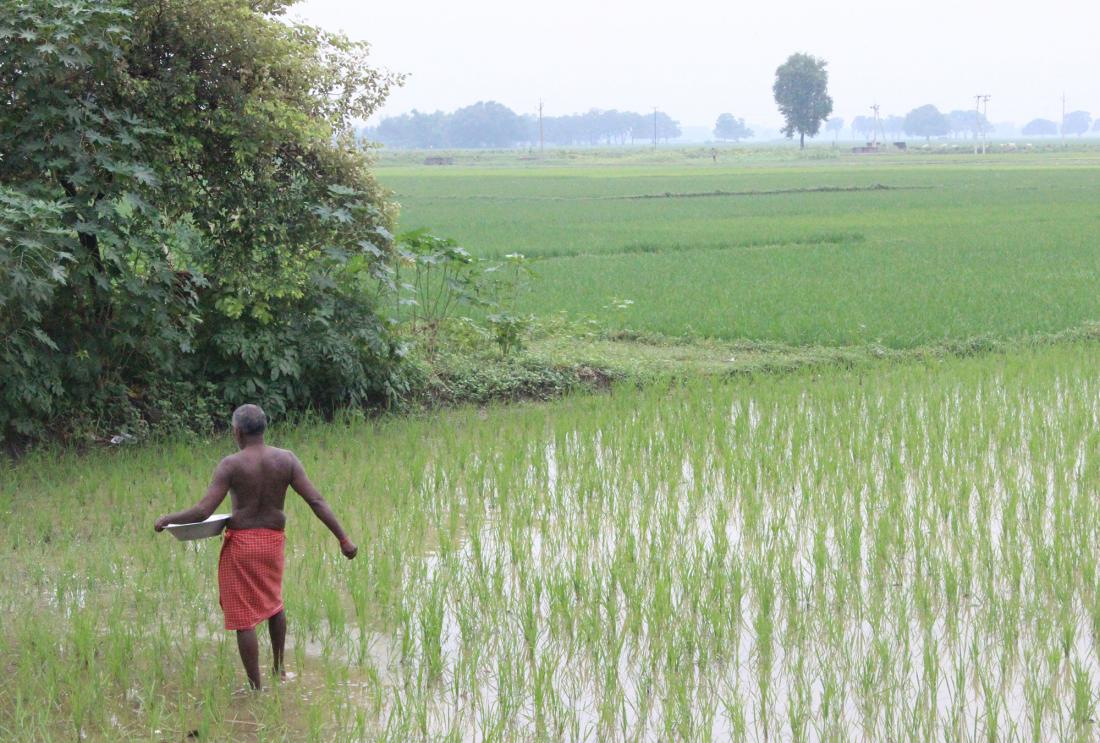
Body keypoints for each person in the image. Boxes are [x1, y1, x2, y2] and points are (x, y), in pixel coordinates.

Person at [154, 404, 357, 690]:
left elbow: (203, 511)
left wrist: (167, 519)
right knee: (274, 603)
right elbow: (316, 501)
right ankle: (279, 669)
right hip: (273, 541)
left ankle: (256, 688)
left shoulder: (231, 464)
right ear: (263, 429)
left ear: (237, 432)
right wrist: (343, 538)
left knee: (243, 617)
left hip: (243, 544)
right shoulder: (286, 460)